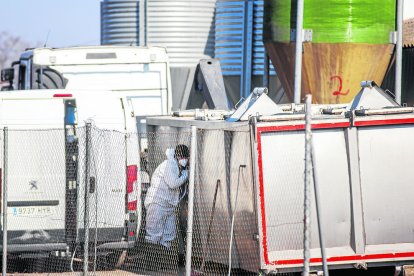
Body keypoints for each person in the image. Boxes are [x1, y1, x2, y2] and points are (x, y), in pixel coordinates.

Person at [144, 144, 190, 249]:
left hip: (169, 206)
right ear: (178, 156)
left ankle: (164, 259)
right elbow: (173, 183)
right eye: (184, 158)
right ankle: (152, 259)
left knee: (169, 234)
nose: (185, 160)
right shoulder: (169, 165)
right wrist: (186, 175)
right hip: (158, 204)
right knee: (154, 235)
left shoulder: (177, 166)